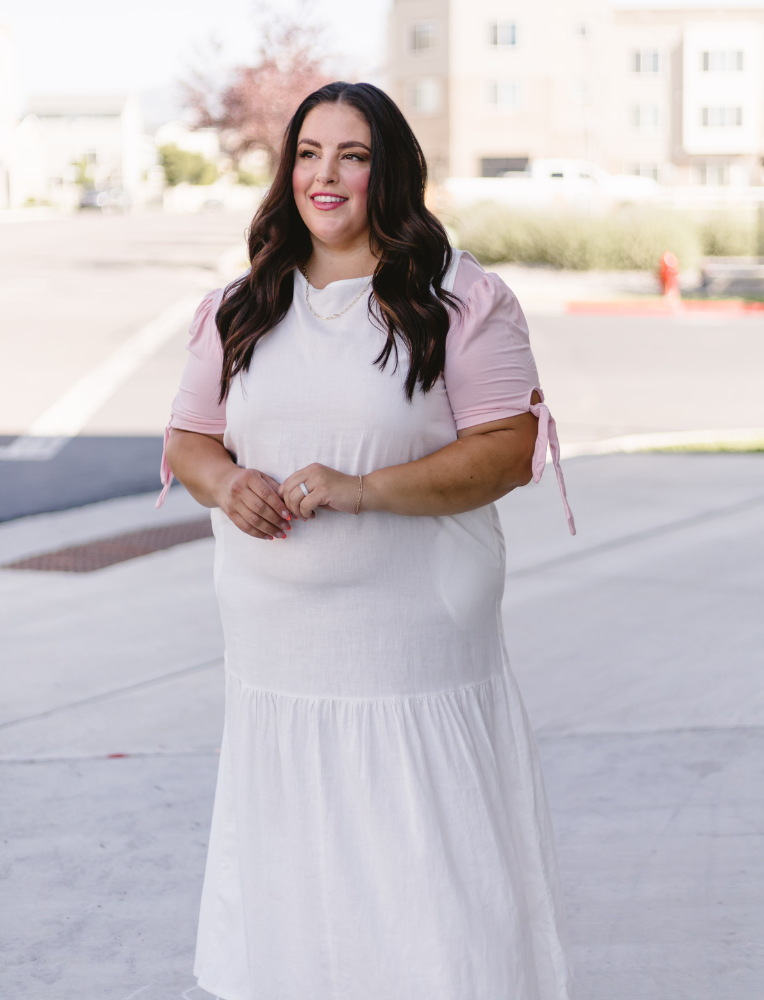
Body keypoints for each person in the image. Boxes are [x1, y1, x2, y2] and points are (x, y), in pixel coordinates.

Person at [159, 81, 575, 1000]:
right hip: (277, 658)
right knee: (298, 881)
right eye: (310, 154)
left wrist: (363, 490)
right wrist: (227, 484)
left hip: (413, 655)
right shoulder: (242, 307)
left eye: (354, 155)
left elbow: (508, 450)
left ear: (391, 172)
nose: (328, 175)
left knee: (425, 885)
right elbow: (189, 439)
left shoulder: (458, 298)